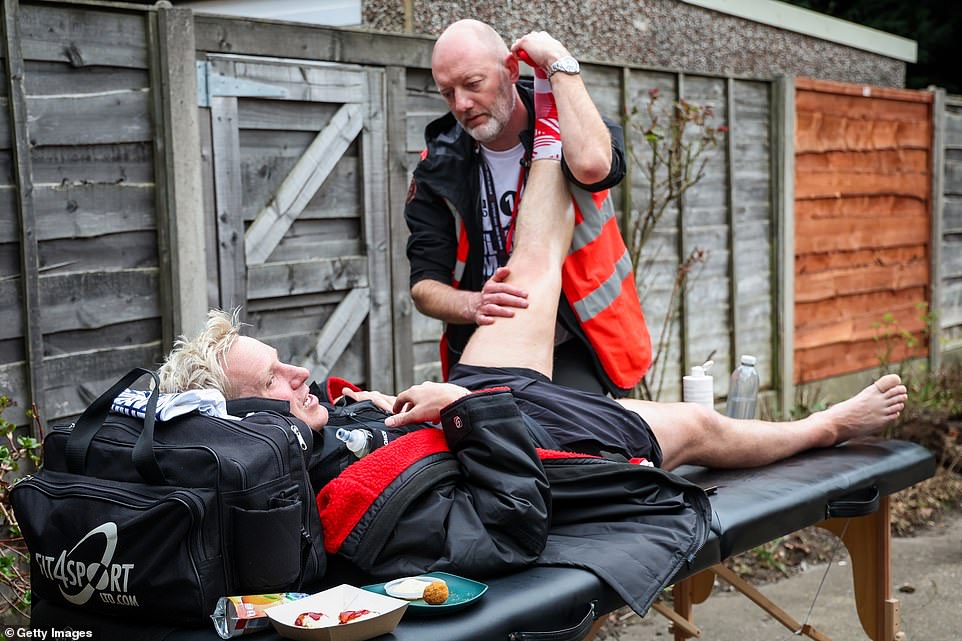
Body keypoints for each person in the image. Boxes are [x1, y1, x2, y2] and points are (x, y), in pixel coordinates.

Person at [156, 82, 907, 613]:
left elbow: (369, 438)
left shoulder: (308, 444)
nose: (301, 373)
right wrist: (460, 408)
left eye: (470, 84)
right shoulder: (338, 505)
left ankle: (553, 109)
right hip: (517, 440)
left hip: (473, 406)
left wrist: (386, 402)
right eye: (278, 382)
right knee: (698, 429)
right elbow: (508, 521)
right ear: (252, 423)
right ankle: (831, 424)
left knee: (530, 272)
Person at [404, 19, 652, 397]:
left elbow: (592, 167)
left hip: (580, 343)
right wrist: (474, 304)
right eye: (447, 93)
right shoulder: (438, 165)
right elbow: (424, 287)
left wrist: (559, 61)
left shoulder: (570, 120)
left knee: (576, 446)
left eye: (473, 85)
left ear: (510, 69)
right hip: (488, 341)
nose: (462, 104)